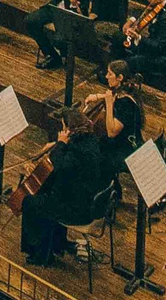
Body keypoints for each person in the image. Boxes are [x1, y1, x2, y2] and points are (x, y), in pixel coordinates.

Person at [19, 100, 120, 265]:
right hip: (88, 201)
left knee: (30, 202)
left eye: (63, 127)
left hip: (78, 212)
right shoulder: (91, 141)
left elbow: (59, 168)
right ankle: (58, 243)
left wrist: (60, 144)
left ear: (69, 129)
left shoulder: (75, 153)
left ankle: (40, 255)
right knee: (47, 196)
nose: (62, 130)